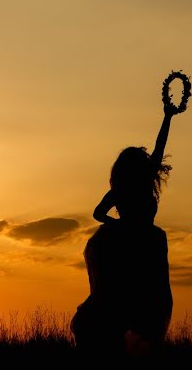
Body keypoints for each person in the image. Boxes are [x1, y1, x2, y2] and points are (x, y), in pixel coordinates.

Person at [72, 98, 179, 354]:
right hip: (140, 238)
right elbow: (159, 147)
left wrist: (116, 224)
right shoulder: (134, 186)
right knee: (146, 295)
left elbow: (99, 213)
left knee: (114, 295)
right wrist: (168, 117)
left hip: (122, 236)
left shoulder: (120, 188)